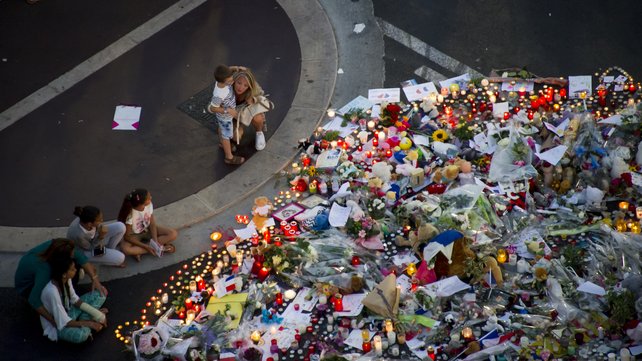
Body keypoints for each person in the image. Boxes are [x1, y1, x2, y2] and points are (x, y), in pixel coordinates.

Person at [14, 238, 107, 327]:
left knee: (100, 294)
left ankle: (77, 315)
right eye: (72, 269)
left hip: (52, 283)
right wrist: (53, 321)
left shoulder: (58, 246)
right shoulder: (45, 274)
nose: (74, 254)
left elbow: (80, 258)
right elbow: (33, 299)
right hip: (28, 288)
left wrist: (95, 279)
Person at [41, 255, 108, 343]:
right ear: (64, 274)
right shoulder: (52, 292)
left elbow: (75, 300)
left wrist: (97, 314)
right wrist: (90, 323)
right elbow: (63, 321)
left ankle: (87, 318)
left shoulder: (66, 279)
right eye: (72, 269)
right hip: (59, 325)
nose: (76, 270)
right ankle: (88, 320)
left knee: (101, 294)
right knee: (81, 335)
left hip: (69, 310)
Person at [117, 188, 178, 261]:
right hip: (134, 235)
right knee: (125, 249)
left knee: (173, 234)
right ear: (141, 203)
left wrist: (155, 241)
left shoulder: (149, 205)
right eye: (149, 198)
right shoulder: (130, 214)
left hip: (147, 229)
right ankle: (158, 248)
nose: (151, 198)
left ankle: (141, 251)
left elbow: (152, 223)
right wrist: (146, 247)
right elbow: (127, 237)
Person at [207, 64, 245, 165]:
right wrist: (227, 110)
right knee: (227, 136)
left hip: (224, 117)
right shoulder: (219, 94)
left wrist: (236, 68)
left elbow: (229, 70)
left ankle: (221, 143)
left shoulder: (221, 81)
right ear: (222, 81)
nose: (232, 81)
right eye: (229, 81)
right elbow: (213, 108)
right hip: (225, 117)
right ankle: (229, 157)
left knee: (222, 130)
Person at [232, 67, 274, 151]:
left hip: (247, 113)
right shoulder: (228, 89)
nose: (241, 87)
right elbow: (220, 75)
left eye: (245, 85)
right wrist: (234, 68)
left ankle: (259, 133)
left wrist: (254, 99)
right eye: (239, 83)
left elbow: (261, 95)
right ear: (234, 81)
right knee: (235, 137)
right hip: (234, 116)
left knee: (258, 118)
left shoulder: (253, 88)